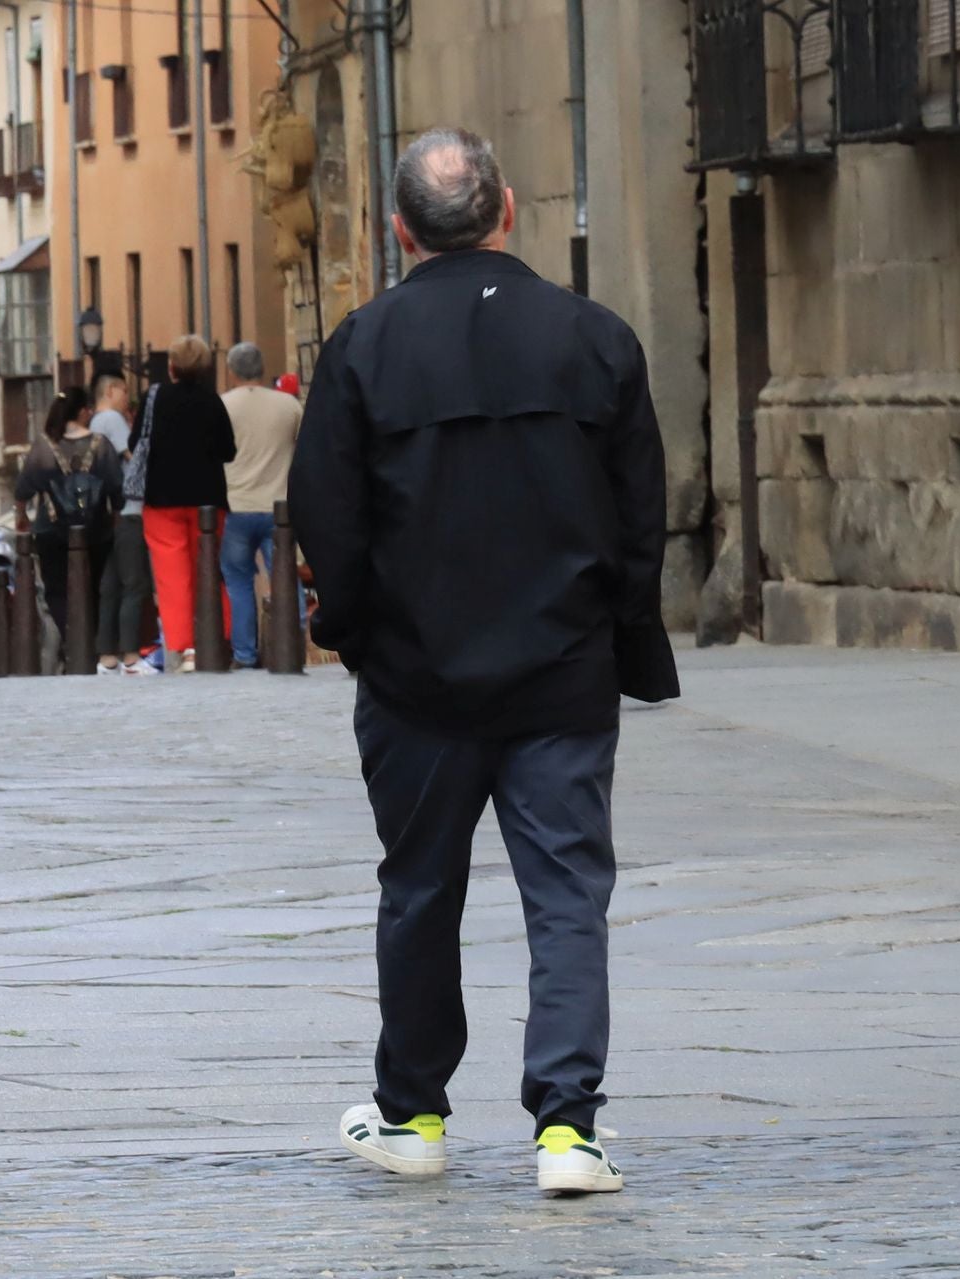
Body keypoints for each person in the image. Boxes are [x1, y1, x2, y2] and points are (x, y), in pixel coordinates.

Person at [289, 127, 678, 1195]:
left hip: (417, 678)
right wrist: (621, 635)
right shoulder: (594, 338)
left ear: (401, 230)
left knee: (418, 887)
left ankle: (412, 1112)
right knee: (566, 895)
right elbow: (643, 512)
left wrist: (355, 631)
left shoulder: (363, 346)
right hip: (561, 670)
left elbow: (330, 514)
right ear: (508, 210)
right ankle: (567, 1128)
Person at [133, 334, 237, 673]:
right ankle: (216, 639)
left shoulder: (155, 398)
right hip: (208, 500)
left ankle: (181, 649)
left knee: (172, 576)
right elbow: (228, 451)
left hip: (162, 498)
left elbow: (137, 442)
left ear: (172, 366)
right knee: (209, 570)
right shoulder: (212, 401)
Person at [15, 388, 123, 654]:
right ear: (84, 412)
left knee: (57, 589)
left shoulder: (44, 446)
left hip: (51, 530)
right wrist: (115, 520)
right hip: (95, 531)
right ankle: (91, 640)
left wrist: (21, 517)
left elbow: (23, 489)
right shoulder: (101, 445)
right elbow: (116, 488)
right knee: (94, 587)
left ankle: (70, 639)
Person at [218, 342, 303, 669]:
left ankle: (244, 654)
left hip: (236, 504)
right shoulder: (288, 406)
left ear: (232, 370)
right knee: (285, 577)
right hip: (278, 505)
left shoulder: (222, 405)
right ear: (262, 367)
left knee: (238, 581)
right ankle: (292, 644)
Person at [89, 373, 156, 675]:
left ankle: (107, 656)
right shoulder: (113, 421)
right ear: (111, 390)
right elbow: (133, 455)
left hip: (108, 515)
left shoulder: (93, 423)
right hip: (130, 510)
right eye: (124, 390)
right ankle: (130, 655)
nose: (127, 396)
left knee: (111, 585)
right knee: (134, 583)